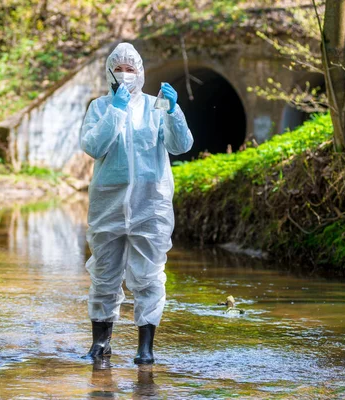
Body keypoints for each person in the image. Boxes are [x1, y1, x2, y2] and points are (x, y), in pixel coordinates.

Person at [80, 42, 193, 364]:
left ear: (141, 73)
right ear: (109, 73)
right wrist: (115, 110)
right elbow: (93, 146)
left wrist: (173, 111)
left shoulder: (155, 107)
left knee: (148, 276)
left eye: (131, 69)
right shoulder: (99, 107)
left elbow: (181, 145)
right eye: (119, 69)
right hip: (108, 204)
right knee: (104, 274)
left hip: (151, 204)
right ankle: (101, 343)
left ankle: (146, 347)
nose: (125, 74)